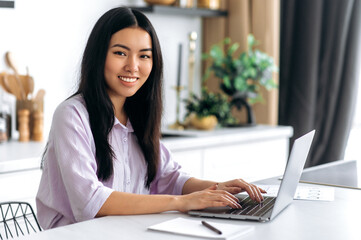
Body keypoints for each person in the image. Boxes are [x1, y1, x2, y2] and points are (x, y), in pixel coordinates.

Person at [36, 7, 266, 230]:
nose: (132, 66)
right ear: (99, 56)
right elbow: (89, 201)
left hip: (125, 231)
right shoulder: (72, 115)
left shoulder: (137, 116)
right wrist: (182, 202)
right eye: (120, 53)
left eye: (144, 56)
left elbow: (169, 178)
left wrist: (217, 188)